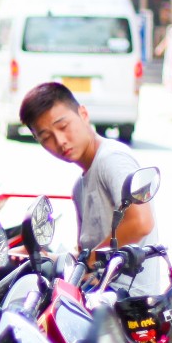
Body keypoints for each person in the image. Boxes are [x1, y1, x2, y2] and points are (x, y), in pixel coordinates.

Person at [19, 80, 155, 255]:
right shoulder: (79, 187)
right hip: (96, 282)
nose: (60, 141)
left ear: (83, 114)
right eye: (46, 137)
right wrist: (42, 257)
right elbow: (83, 255)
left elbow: (141, 223)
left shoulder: (112, 159)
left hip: (125, 283)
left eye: (63, 126)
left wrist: (91, 261)